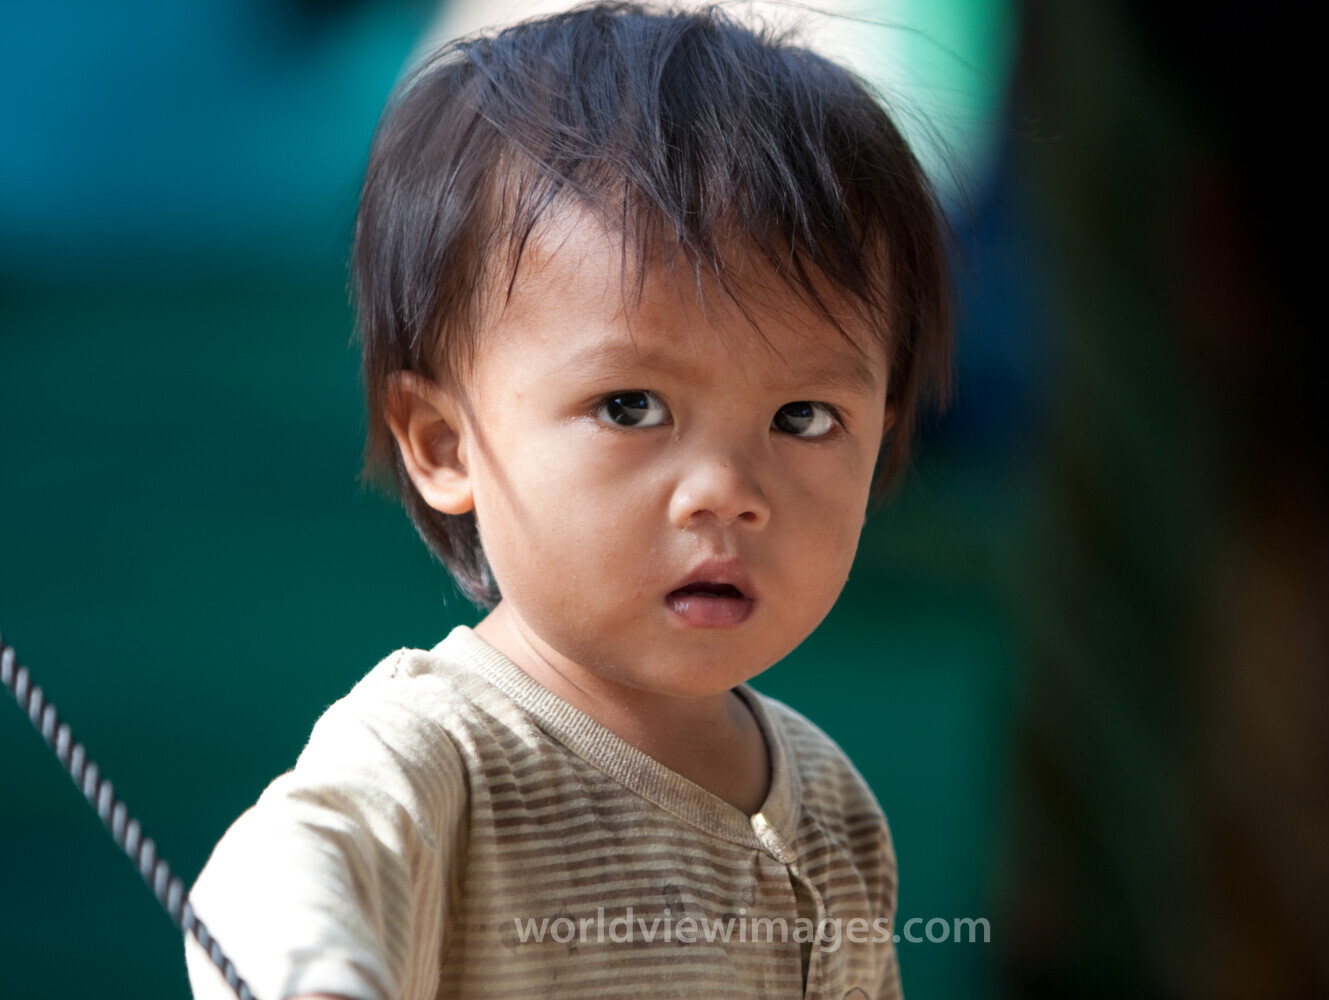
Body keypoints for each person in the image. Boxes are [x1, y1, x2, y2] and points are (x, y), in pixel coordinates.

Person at [185, 3, 950, 998]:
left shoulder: (834, 810)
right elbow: (272, 885)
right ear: (445, 442)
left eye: (803, 417)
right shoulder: (438, 753)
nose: (726, 491)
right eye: (631, 406)